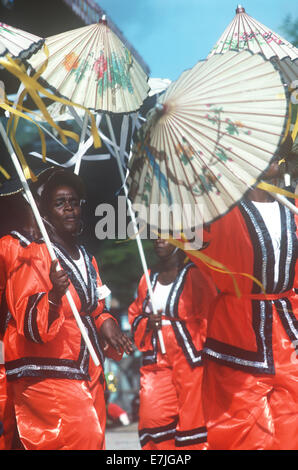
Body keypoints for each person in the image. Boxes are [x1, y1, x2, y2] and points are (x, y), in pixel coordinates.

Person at [4, 169, 133, 450]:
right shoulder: (33, 254)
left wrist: (106, 322)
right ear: (45, 212)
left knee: (94, 439)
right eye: (60, 203)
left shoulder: (87, 258)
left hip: (87, 369)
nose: (69, 209)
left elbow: (95, 307)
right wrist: (53, 298)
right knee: (80, 438)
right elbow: (26, 318)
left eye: (73, 202)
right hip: (50, 370)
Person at [186, 145, 298, 450]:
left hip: (290, 335)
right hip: (238, 335)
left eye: (277, 149)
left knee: (292, 429)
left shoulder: (293, 207)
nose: (271, 156)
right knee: (242, 434)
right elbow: (191, 238)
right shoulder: (221, 211)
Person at [128, 238, 217, 450]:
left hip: (191, 360)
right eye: (155, 234)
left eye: (166, 233)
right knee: (152, 418)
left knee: (192, 421)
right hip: (155, 360)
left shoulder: (196, 275)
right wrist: (146, 322)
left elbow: (212, 315)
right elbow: (134, 314)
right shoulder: (148, 278)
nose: (159, 239)